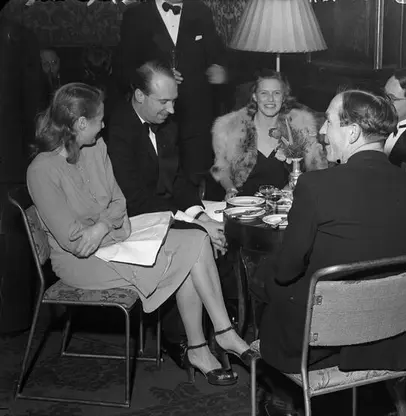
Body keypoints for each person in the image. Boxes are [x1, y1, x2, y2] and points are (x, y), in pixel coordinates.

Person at [27, 82, 257, 386]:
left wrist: (102, 226)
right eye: (99, 120)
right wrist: (112, 224)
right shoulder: (42, 170)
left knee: (197, 239)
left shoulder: (96, 148)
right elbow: (77, 244)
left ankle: (218, 335)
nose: (104, 126)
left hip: (116, 241)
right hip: (80, 264)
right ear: (81, 123)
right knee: (189, 257)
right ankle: (204, 346)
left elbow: (119, 203)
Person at [257, 89, 406, 416]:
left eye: (329, 121)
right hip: (387, 336)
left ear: (352, 132)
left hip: (317, 345)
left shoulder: (316, 186)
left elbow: (287, 270)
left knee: (267, 279)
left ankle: (279, 394)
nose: (323, 131)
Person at [107, 60, 229, 368]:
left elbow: (178, 180)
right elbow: (134, 200)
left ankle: (203, 333)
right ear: (139, 96)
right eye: (164, 102)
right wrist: (193, 224)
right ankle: (188, 337)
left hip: (161, 209)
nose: (172, 110)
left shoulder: (167, 124)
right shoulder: (116, 130)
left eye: (174, 101)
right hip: (129, 220)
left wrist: (200, 216)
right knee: (197, 242)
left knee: (221, 227)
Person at [116, 0, 228, 200]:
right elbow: (125, 68)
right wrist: (159, 74)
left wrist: (221, 71)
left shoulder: (200, 11)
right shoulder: (135, 16)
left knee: (198, 182)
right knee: (161, 182)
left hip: (196, 118)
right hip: (156, 120)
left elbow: (218, 55)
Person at [211, 69, 328, 199]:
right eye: (264, 93)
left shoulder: (300, 128)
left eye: (276, 93)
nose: (270, 99)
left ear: (284, 97)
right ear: (255, 96)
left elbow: (316, 169)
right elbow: (221, 168)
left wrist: (289, 190)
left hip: (286, 205)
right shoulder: (230, 128)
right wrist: (230, 190)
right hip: (243, 204)